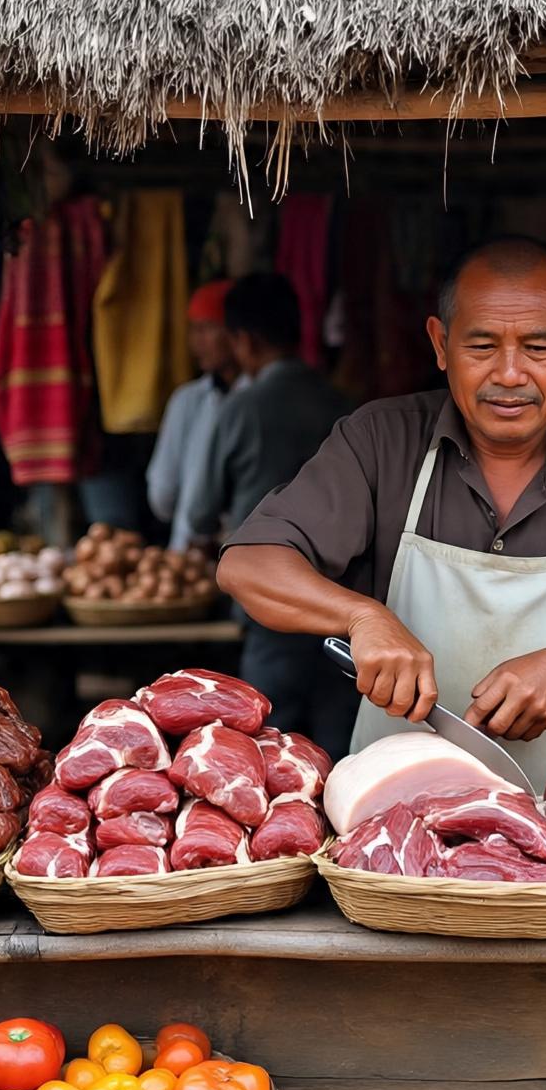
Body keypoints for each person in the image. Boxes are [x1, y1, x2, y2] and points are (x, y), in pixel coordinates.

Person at [217, 238, 546, 788]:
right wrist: (363, 617)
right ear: (440, 344)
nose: (510, 374)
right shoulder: (379, 445)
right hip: (401, 831)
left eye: (538, 348)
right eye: (482, 346)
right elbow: (248, 564)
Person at [189, 273, 354, 755]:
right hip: (342, 603)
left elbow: (200, 510)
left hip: (270, 604)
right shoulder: (343, 405)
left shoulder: (243, 408)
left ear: (244, 340)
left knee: (267, 743)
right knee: (338, 748)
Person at [146, 280, 245, 550]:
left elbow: (163, 497)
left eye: (208, 328)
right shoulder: (186, 400)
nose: (197, 341)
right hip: (191, 560)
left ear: (237, 334)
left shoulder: (255, 402)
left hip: (237, 555)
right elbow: (161, 495)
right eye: (194, 330)